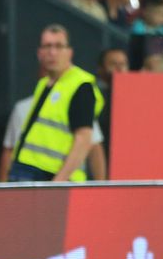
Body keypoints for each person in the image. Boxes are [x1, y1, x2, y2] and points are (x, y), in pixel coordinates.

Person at [7, 25, 104, 182]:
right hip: (28, 169)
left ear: (69, 52)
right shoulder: (44, 83)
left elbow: (84, 139)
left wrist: (58, 182)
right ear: (39, 53)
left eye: (59, 46)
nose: (52, 52)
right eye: (47, 46)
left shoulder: (81, 85)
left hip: (51, 175)